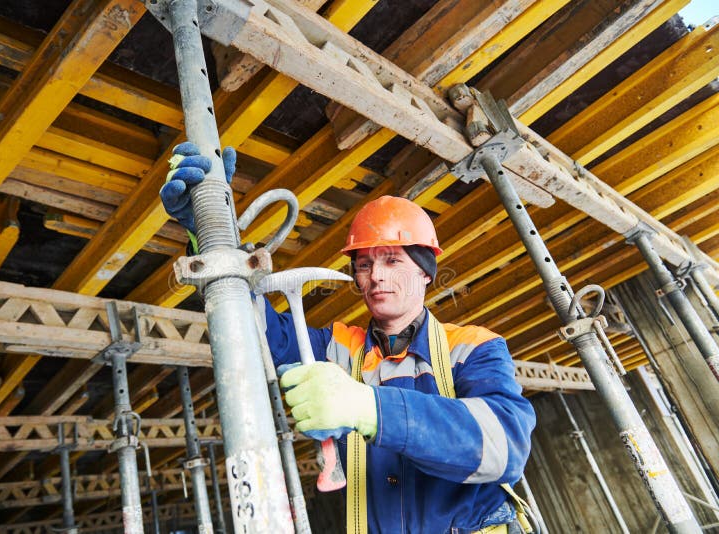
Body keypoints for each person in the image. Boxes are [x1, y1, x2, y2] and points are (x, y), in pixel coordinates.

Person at [161, 142, 536, 534]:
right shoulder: (336, 349)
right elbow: (253, 334)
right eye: (364, 264)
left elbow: (505, 446)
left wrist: (369, 408)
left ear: (426, 271)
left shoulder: (473, 347)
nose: (375, 276)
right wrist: (210, 236)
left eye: (393, 260)